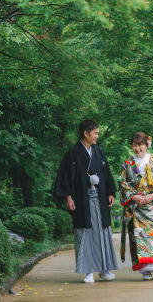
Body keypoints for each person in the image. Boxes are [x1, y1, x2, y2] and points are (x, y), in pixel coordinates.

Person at [54, 119, 118, 283]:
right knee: (85, 233)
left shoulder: (100, 152)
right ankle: (88, 271)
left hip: (100, 199)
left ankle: (104, 270)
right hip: (82, 201)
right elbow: (65, 177)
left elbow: (106, 174)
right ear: (86, 133)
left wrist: (111, 192)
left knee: (103, 233)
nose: (97, 136)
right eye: (95, 133)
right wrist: (68, 197)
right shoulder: (72, 154)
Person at [118, 132, 153, 280]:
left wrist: (152, 195)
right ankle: (145, 271)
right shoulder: (128, 164)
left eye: (140, 145)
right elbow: (122, 183)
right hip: (137, 207)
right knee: (140, 238)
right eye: (135, 145)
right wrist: (134, 196)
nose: (137, 148)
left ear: (146, 145)